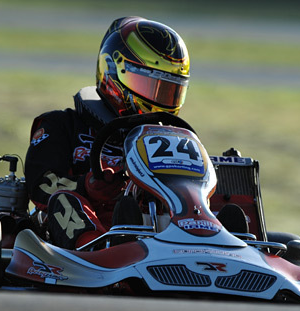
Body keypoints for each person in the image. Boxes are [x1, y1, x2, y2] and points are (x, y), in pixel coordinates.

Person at [24, 16, 191, 249]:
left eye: (169, 92)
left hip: (153, 229)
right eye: (150, 86)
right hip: (84, 232)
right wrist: (87, 185)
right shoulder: (61, 125)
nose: (158, 102)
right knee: (64, 200)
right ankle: (96, 248)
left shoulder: (171, 140)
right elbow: (41, 185)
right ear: (113, 72)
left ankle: (225, 243)